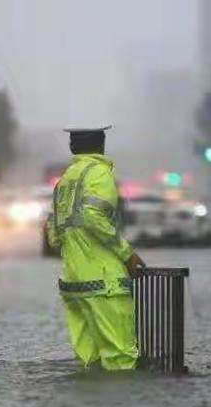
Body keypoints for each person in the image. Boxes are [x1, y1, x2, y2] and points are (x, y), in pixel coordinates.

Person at [46, 126, 145, 371]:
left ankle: (92, 405)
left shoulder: (65, 180)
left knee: (91, 360)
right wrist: (127, 254)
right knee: (121, 358)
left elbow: (53, 235)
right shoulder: (99, 173)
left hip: (73, 283)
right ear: (102, 146)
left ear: (72, 148)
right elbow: (92, 216)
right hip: (105, 282)